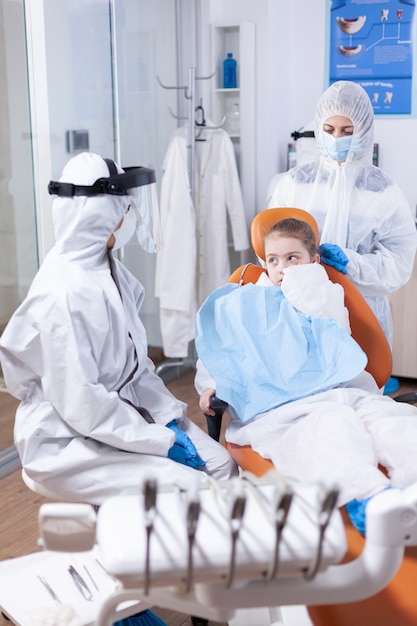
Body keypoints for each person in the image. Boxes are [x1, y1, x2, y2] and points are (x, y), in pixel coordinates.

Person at [0, 152, 237, 626]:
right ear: (100, 213)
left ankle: (205, 593)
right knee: (189, 487)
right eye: (126, 206)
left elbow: (136, 369)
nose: (131, 215)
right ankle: (123, 605)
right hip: (66, 440)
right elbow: (84, 407)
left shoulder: (108, 270)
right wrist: (164, 443)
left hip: (118, 423)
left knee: (223, 466)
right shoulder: (63, 294)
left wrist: (174, 419)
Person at [194, 216, 417, 537]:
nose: (282, 268)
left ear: (313, 261)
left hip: (345, 390)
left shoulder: (323, 291)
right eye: (273, 260)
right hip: (284, 406)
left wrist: (307, 279)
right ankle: (371, 499)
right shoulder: (243, 302)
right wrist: (210, 386)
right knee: (331, 428)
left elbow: (332, 328)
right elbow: (221, 352)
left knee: (393, 419)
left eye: (292, 258)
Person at [268, 80, 417, 351]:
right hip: (300, 311)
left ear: (364, 130)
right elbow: (271, 247)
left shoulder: (382, 191)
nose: (336, 138)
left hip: (362, 313)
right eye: (328, 129)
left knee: (360, 387)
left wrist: (352, 263)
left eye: (347, 131)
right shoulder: (295, 183)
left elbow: (399, 264)